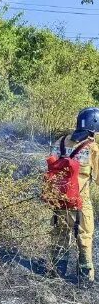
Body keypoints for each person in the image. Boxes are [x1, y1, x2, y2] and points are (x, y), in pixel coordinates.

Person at [49, 107, 99, 283]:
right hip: (80, 202)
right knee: (85, 237)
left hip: (58, 199)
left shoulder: (59, 142)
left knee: (59, 234)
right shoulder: (93, 148)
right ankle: (85, 279)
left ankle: (56, 272)